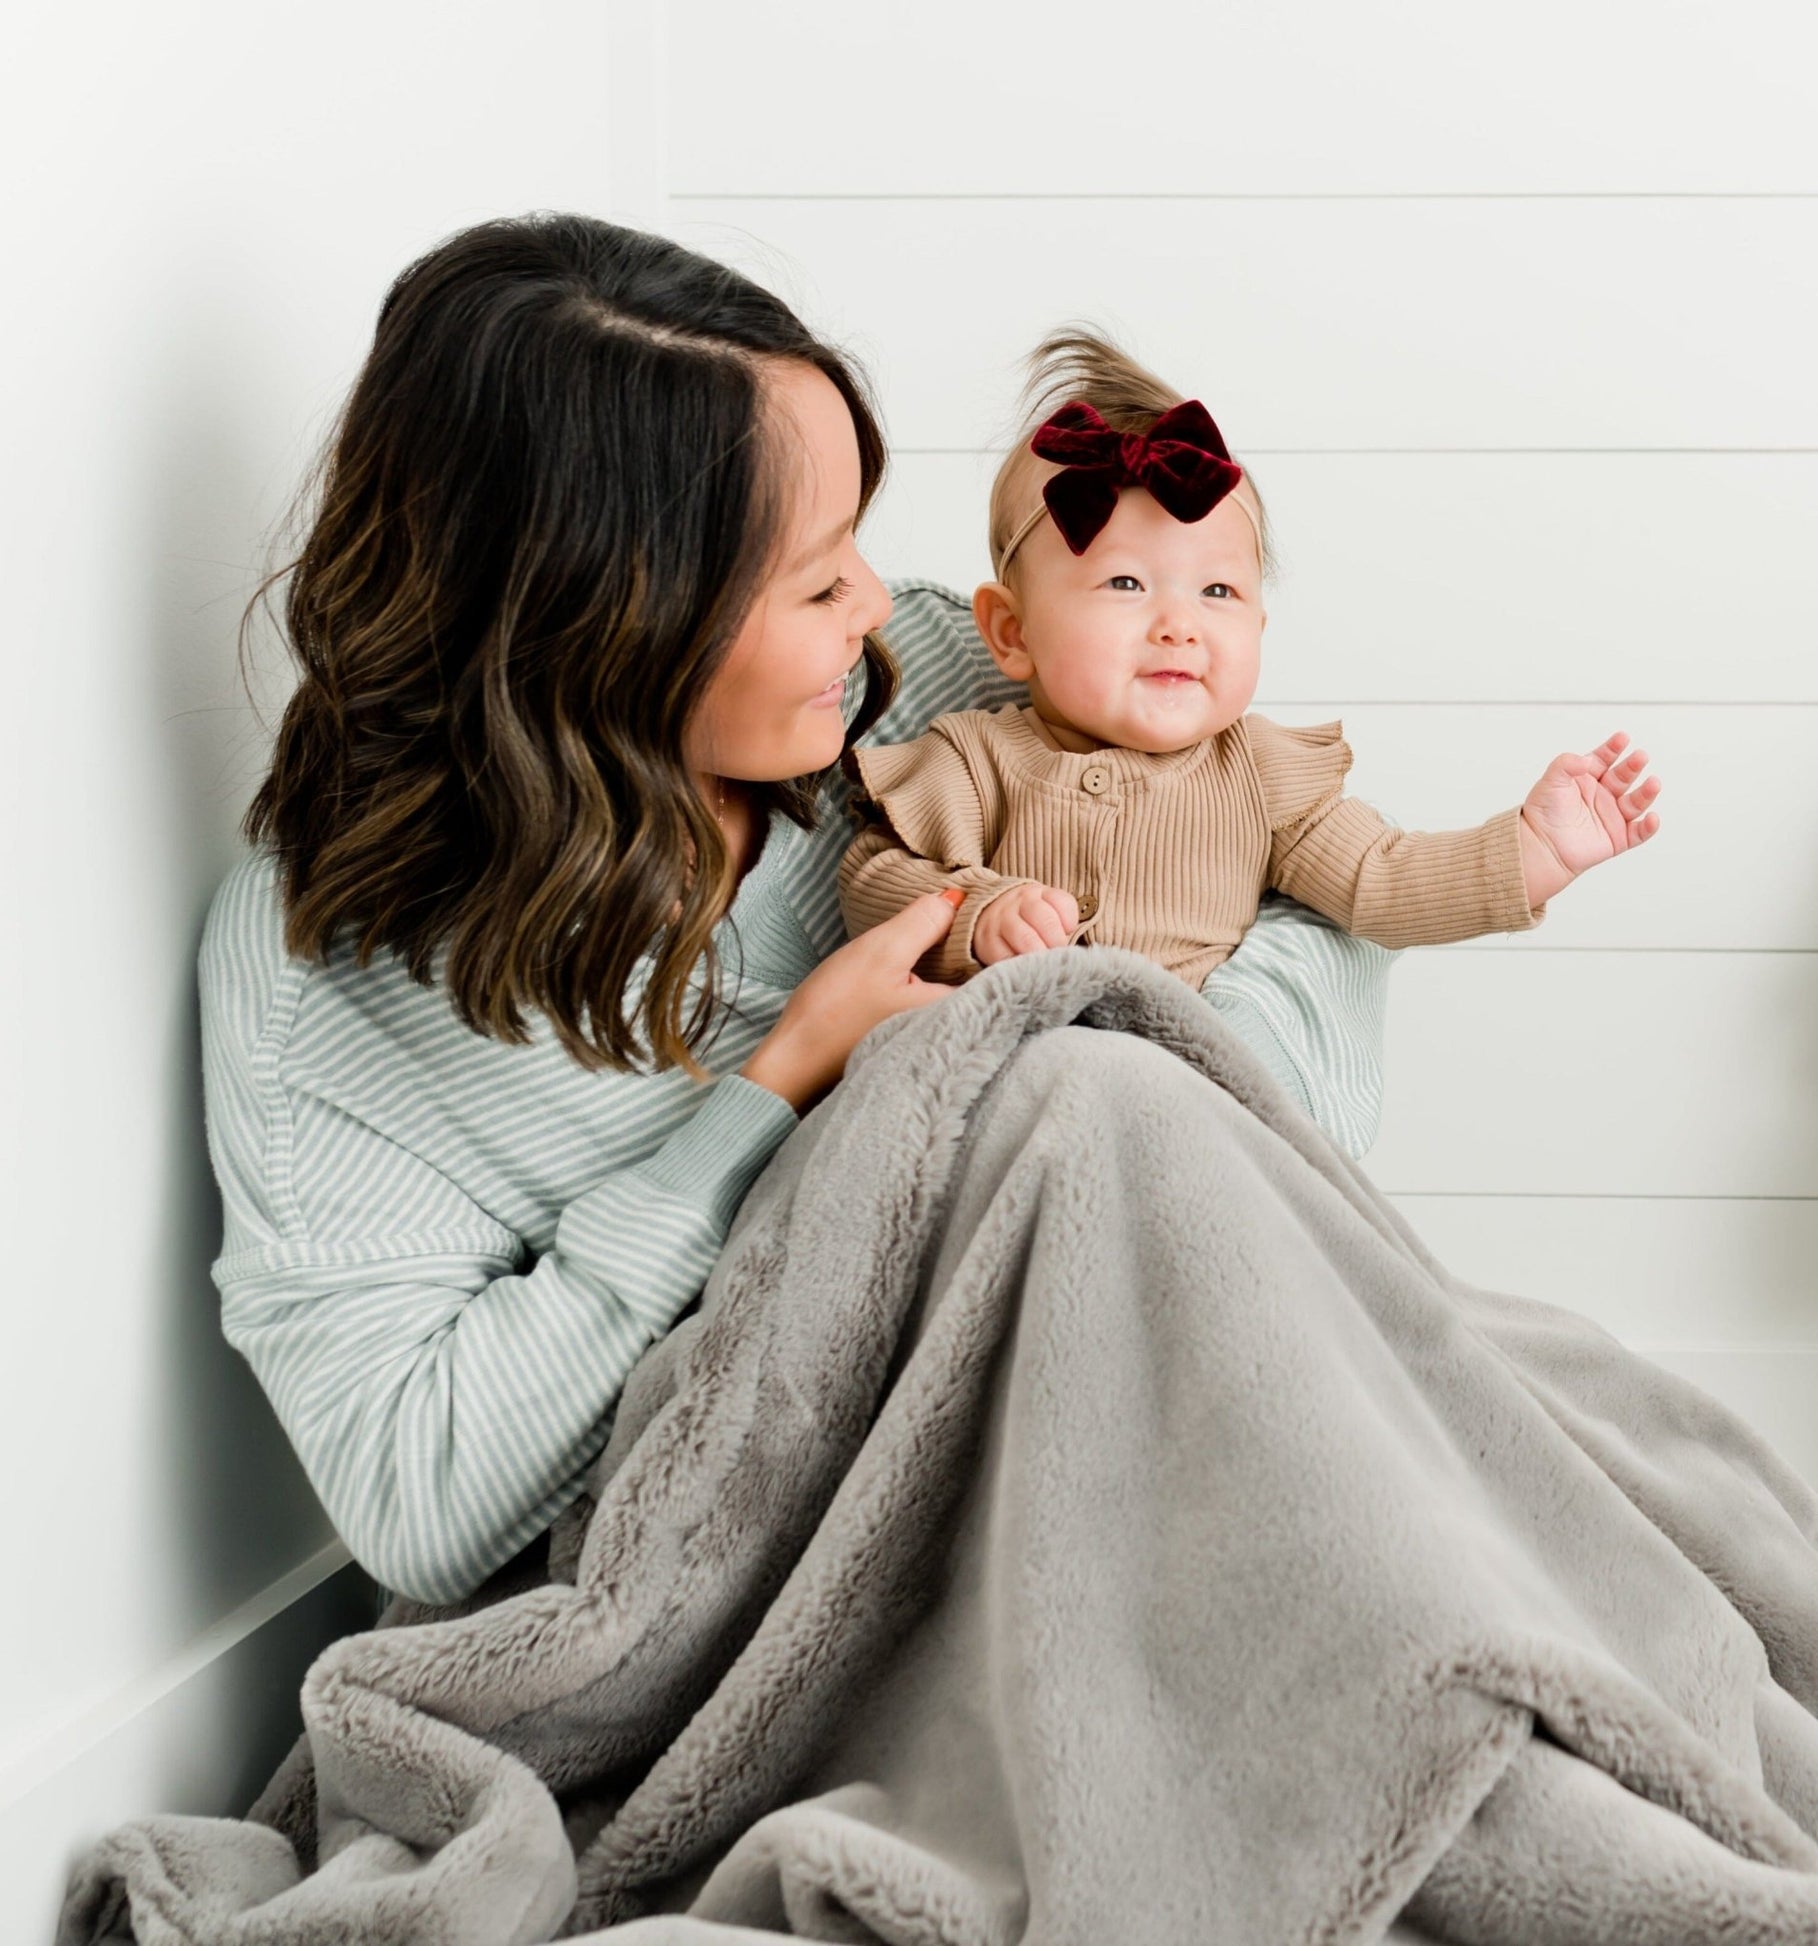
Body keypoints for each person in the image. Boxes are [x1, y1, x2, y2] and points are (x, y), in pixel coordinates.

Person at [197, 213, 1401, 1611]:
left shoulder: (944, 683)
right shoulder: (333, 975)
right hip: (841, 1573)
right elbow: (426, 1499)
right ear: (614, 621)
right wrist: (777, 1091)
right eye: (818, 577)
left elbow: (1310, 891)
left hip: (1196, 1432)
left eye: (859, 549)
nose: (880, 603)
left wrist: (1147, 1069)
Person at [837, 330, 1663, 985]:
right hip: (997, 1055)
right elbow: (874, 881)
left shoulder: (1260, 777)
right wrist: (982, 913)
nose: (1178, 626)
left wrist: (1533, 851)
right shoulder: (972, 760)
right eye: (1126, 583)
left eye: (1219, 593)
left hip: (1168, 1072)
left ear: (1261, 624)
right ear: (1012, 633)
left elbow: (1383, 878)